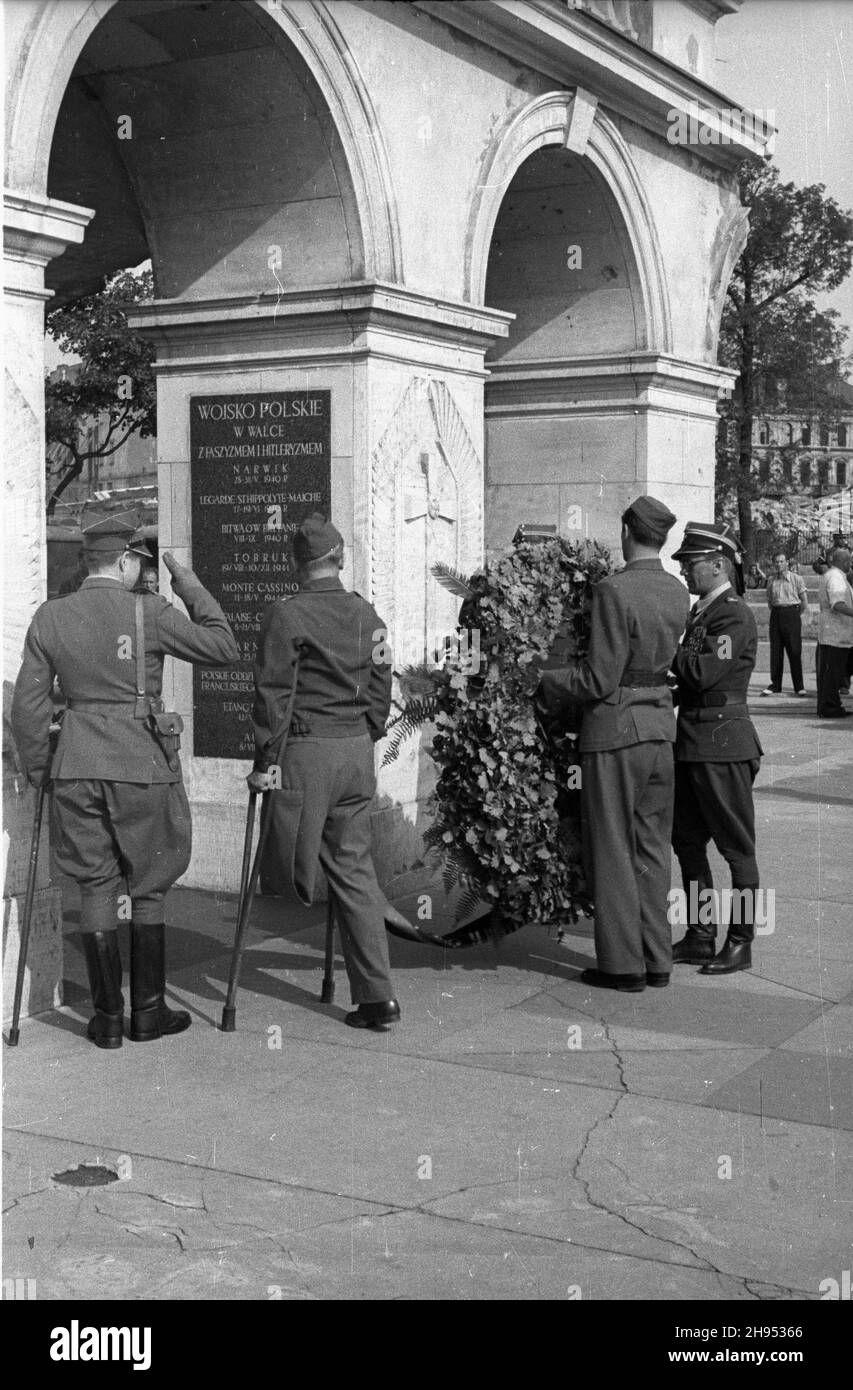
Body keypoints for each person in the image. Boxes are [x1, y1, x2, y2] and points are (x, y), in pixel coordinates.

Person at [11, 509, 239, 1048]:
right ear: (125, 561)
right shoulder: (153, 613)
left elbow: (27, 711)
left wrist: (46, 771)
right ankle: (149, 1013)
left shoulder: (50, 617)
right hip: (142, 766)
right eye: (140, 561)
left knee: (94, 882)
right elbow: (224, 647)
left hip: (76, 767)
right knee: (150, 882)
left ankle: (107, 1020)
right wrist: (191, 586)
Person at [249, 513, 417, 1031]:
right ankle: (376, 997)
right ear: (340, 560)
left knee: (284, 861)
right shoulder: (369, 616)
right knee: (353, 870)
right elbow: (383, 676)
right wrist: (365, 730)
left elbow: (274, 696)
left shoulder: (286, 614)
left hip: (306, 754)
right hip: (354, 754)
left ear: (297, 564)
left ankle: (294, 884)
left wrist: (263, 765)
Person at [537, 496, 690, 992]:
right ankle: (657, 957)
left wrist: (545, 681)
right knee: (651, 846)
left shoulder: (613, 591)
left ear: (628, 532)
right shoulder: (676, 589)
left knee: (611, 847)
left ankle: (623, 965)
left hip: (615, 732)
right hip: (659, 731)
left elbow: (598, 679)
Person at [669, 522, 763, 975]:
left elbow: (704, 673)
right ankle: (700, 935)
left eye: (691, 563)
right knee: (686, 842)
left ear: (719, 565)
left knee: (736, 849)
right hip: (693, 742)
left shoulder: (733, 615)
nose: (685, 571)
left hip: (723, 745)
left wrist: (668, 651)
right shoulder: (704, 612)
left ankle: (741, 942)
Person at [762, 551, 808, 697]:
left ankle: (799, 686)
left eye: (781, 561)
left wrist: (793, 615)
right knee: (776, 651)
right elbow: (770, 600)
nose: (779, 564)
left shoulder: (796, 579)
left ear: (787, 562)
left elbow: (804, 601)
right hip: (776, 614)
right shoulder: (771, 580)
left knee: (794, 651)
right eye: (776, 562)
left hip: (792, 613)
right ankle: (775, 685)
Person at [816, 547, 853, 718]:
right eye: (848, 561)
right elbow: (837, 604)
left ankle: (831, 705)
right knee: (832, 673)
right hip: (835, 634)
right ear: (842, 561)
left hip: (836, 634)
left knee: (833, 673)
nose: (850, 564)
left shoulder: (835, 576)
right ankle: (830, 707)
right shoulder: (836, 578)